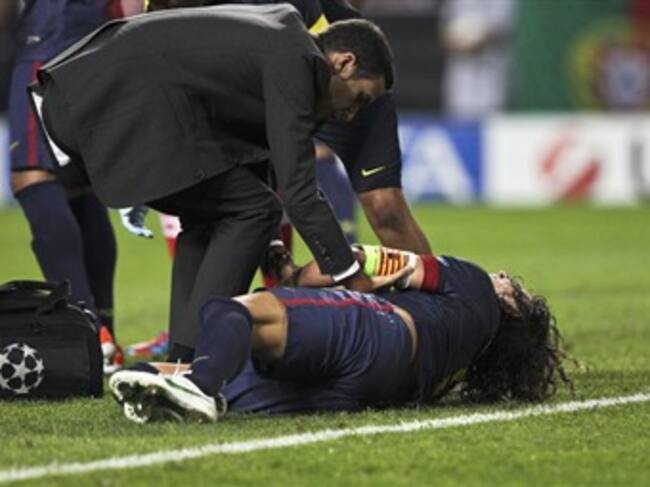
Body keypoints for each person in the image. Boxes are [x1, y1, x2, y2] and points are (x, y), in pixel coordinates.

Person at [30, 5, 395, 362]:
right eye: (360, 99)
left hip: (87, 93)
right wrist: (351, 277)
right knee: (256, 208)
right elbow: (299, 190)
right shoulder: (295, 62)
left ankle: (182, 360)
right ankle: (203, 358)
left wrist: (274, 253)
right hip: (102, 103)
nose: (351, 115)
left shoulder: (284, 40)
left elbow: (257, 161)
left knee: (210, 219)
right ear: (344, 62)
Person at [108, 245, 572, 422]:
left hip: (376, 331)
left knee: (229, 310)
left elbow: (365, 261)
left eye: (516, 288)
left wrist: (294, 278)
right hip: (370, 388)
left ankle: (199, 387)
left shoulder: (474, 284)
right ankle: (162, 384)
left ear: (510, 310)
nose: (505, 276)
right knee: (219, 363)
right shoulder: (465, 360)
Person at [8, 0, 145, 373]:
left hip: (49, 44)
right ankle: (105, 332)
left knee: (33, 175)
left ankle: (88, 333)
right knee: (79, 185)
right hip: (101, 48)